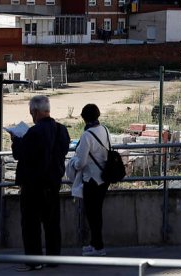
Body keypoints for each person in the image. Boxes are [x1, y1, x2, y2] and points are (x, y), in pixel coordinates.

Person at [11, 95, 70, 271]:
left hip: (33, 185)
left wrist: (16, 141)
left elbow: (20, 154)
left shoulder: (34, 132)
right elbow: (63, 150)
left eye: (31, 112)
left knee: (30, 225)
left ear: (36, 111)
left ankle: (34, 261)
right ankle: (53, 259)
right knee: (52, 223)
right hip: (53, 183)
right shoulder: (62, 130)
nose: (31, 115)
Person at [72, 104, 110, 256]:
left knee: (92, 214)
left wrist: (73, 163)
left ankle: (98, 247)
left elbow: (80, 162)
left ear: (84, 118)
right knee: (97, 213)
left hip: (91, 179)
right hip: (104, 177)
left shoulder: (87, 135)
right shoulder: (105, 129)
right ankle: (94, 243)